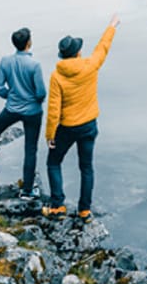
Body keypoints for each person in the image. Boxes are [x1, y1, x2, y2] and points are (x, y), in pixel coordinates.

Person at [42, 13, 119, 219]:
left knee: (53, 163)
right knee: (86, 167)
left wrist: (50, 135)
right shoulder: (90, 66)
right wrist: (112, 26)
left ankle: (57, 205)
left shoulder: (56, 76)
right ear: (78, 53)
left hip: (66, 128)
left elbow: (53, 109)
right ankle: (84, 209)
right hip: (88, 126)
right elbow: (103, 48)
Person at [0, 27, 47, 194]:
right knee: (30, 149)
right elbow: (41, 93)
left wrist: (10, 96)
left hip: (11, 108)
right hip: (32, 112)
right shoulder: (35, 65)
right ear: (28, 43)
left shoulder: (5, 61)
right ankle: (27, 191)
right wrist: (34, 100)